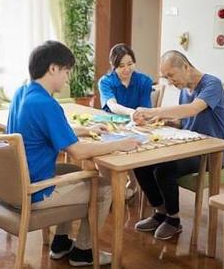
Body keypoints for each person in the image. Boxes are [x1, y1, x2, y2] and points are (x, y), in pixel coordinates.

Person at [7, 41, 141, 267]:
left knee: (75, 172)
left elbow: (45, 131)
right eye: (66, 72)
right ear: (53, 69)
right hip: (35, 190)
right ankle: (84, 251)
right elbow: (78, 151)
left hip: (16, 182)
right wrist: (120, 144)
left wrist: (85, 130)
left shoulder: (22, 93)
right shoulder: (46, 104)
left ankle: (60, 243)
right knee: (104, 187)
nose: (68, 79)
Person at [131, 50, 224, 240]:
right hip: (188, 147)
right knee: (141, 164)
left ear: (185, 66)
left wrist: (152, 111)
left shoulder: (212, 84)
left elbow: (192, 110)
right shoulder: (185, 90)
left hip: (210, 153)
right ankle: (161, 212)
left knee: (164, 169)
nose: (169, 81)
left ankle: (173, 220)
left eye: (171, 75)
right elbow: (185, 122)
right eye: (166, 77)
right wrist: (164, 121)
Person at [98, 43, 153, 200]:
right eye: (121, 66)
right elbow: (112, 105)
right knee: (102, 153)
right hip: (112, 126)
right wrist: (131, 113)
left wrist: (140, 117)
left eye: (130, 64)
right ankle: (113, 189)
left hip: (137, 127)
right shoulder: (106, 81)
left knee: (137, 145)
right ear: (113, 66)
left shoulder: (144, 81)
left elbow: (145, 108)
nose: (126, 69)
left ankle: (132, 186)